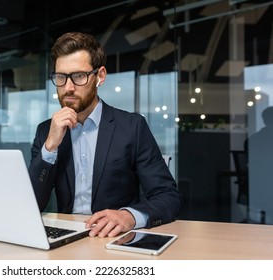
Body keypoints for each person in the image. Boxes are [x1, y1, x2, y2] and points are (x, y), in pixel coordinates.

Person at [28, 32, 182, 238]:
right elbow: (32, 204)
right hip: (64, 236)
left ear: (100, 76)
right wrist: (50, 148)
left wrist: (130, 216)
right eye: (61, 77)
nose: (68, 87)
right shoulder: (46, 131)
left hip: (114, 237)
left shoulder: (132, 127)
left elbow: (168, 197)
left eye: (79, 76)